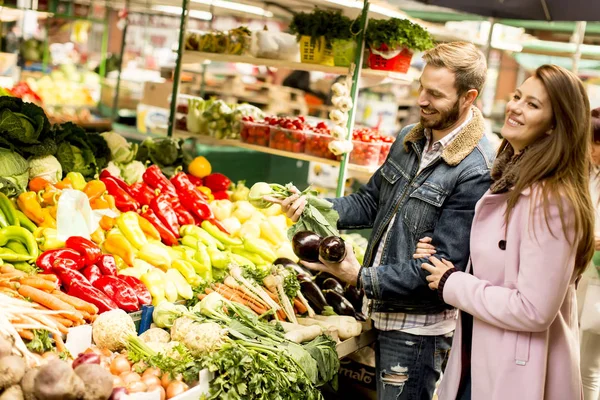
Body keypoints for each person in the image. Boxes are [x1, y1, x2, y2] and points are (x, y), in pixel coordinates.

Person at [273, 41, 494, 400]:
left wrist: (358, 276)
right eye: (421, 87)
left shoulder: (476, 169)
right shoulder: (410, 138)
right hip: (378, 312)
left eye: (435, 94)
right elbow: (369, 202)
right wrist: (312, 207)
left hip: (417, 330)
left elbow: (442, 270)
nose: (422, 99)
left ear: (469, 97)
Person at [414, 65, 595, 399]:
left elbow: (534, 309)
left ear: (556, 126)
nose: (515, 107)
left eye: (533, 105)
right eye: (517, 97)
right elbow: (500, 264)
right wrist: (442, 259)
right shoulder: (515, 178)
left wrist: (451, 282)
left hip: (515, 367)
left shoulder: (552, 200)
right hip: (481, 351)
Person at [578, 107, 600, 400]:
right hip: (583, 276)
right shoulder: (587, 175)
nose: (591, 150)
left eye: (596, 143)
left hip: (595, 283)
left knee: (589, 367)